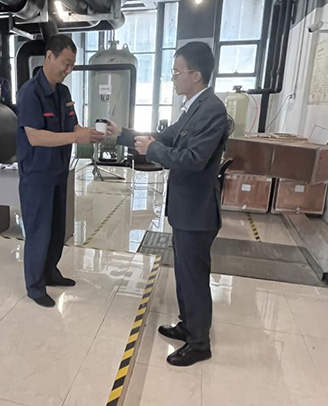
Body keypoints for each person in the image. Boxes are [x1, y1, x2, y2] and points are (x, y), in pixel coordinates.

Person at [108, 42, 229, 366]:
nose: (173, 77)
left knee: (194, 277)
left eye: (177, 72)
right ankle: (188, 326)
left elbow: (193, 158)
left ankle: (199, 343)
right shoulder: (193, 108)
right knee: (185, 274)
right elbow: (166, 138)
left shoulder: (212, 110)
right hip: (185, 209)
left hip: (197, 211)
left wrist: (152, 150)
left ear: (196, 75)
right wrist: (123, 134)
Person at [17, 34, 105, 308]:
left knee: (57, 230)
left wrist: (86, 133)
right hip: (36, 176)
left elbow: (72, 126)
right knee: (39, 231)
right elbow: (35, 137)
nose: (68, 70)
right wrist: (76, 137)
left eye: (72, 65)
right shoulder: (30, 93)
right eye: (65, 63)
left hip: (57, 172)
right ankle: (35, 286)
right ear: (49, 56)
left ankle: (50, 272)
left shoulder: (63, 93)